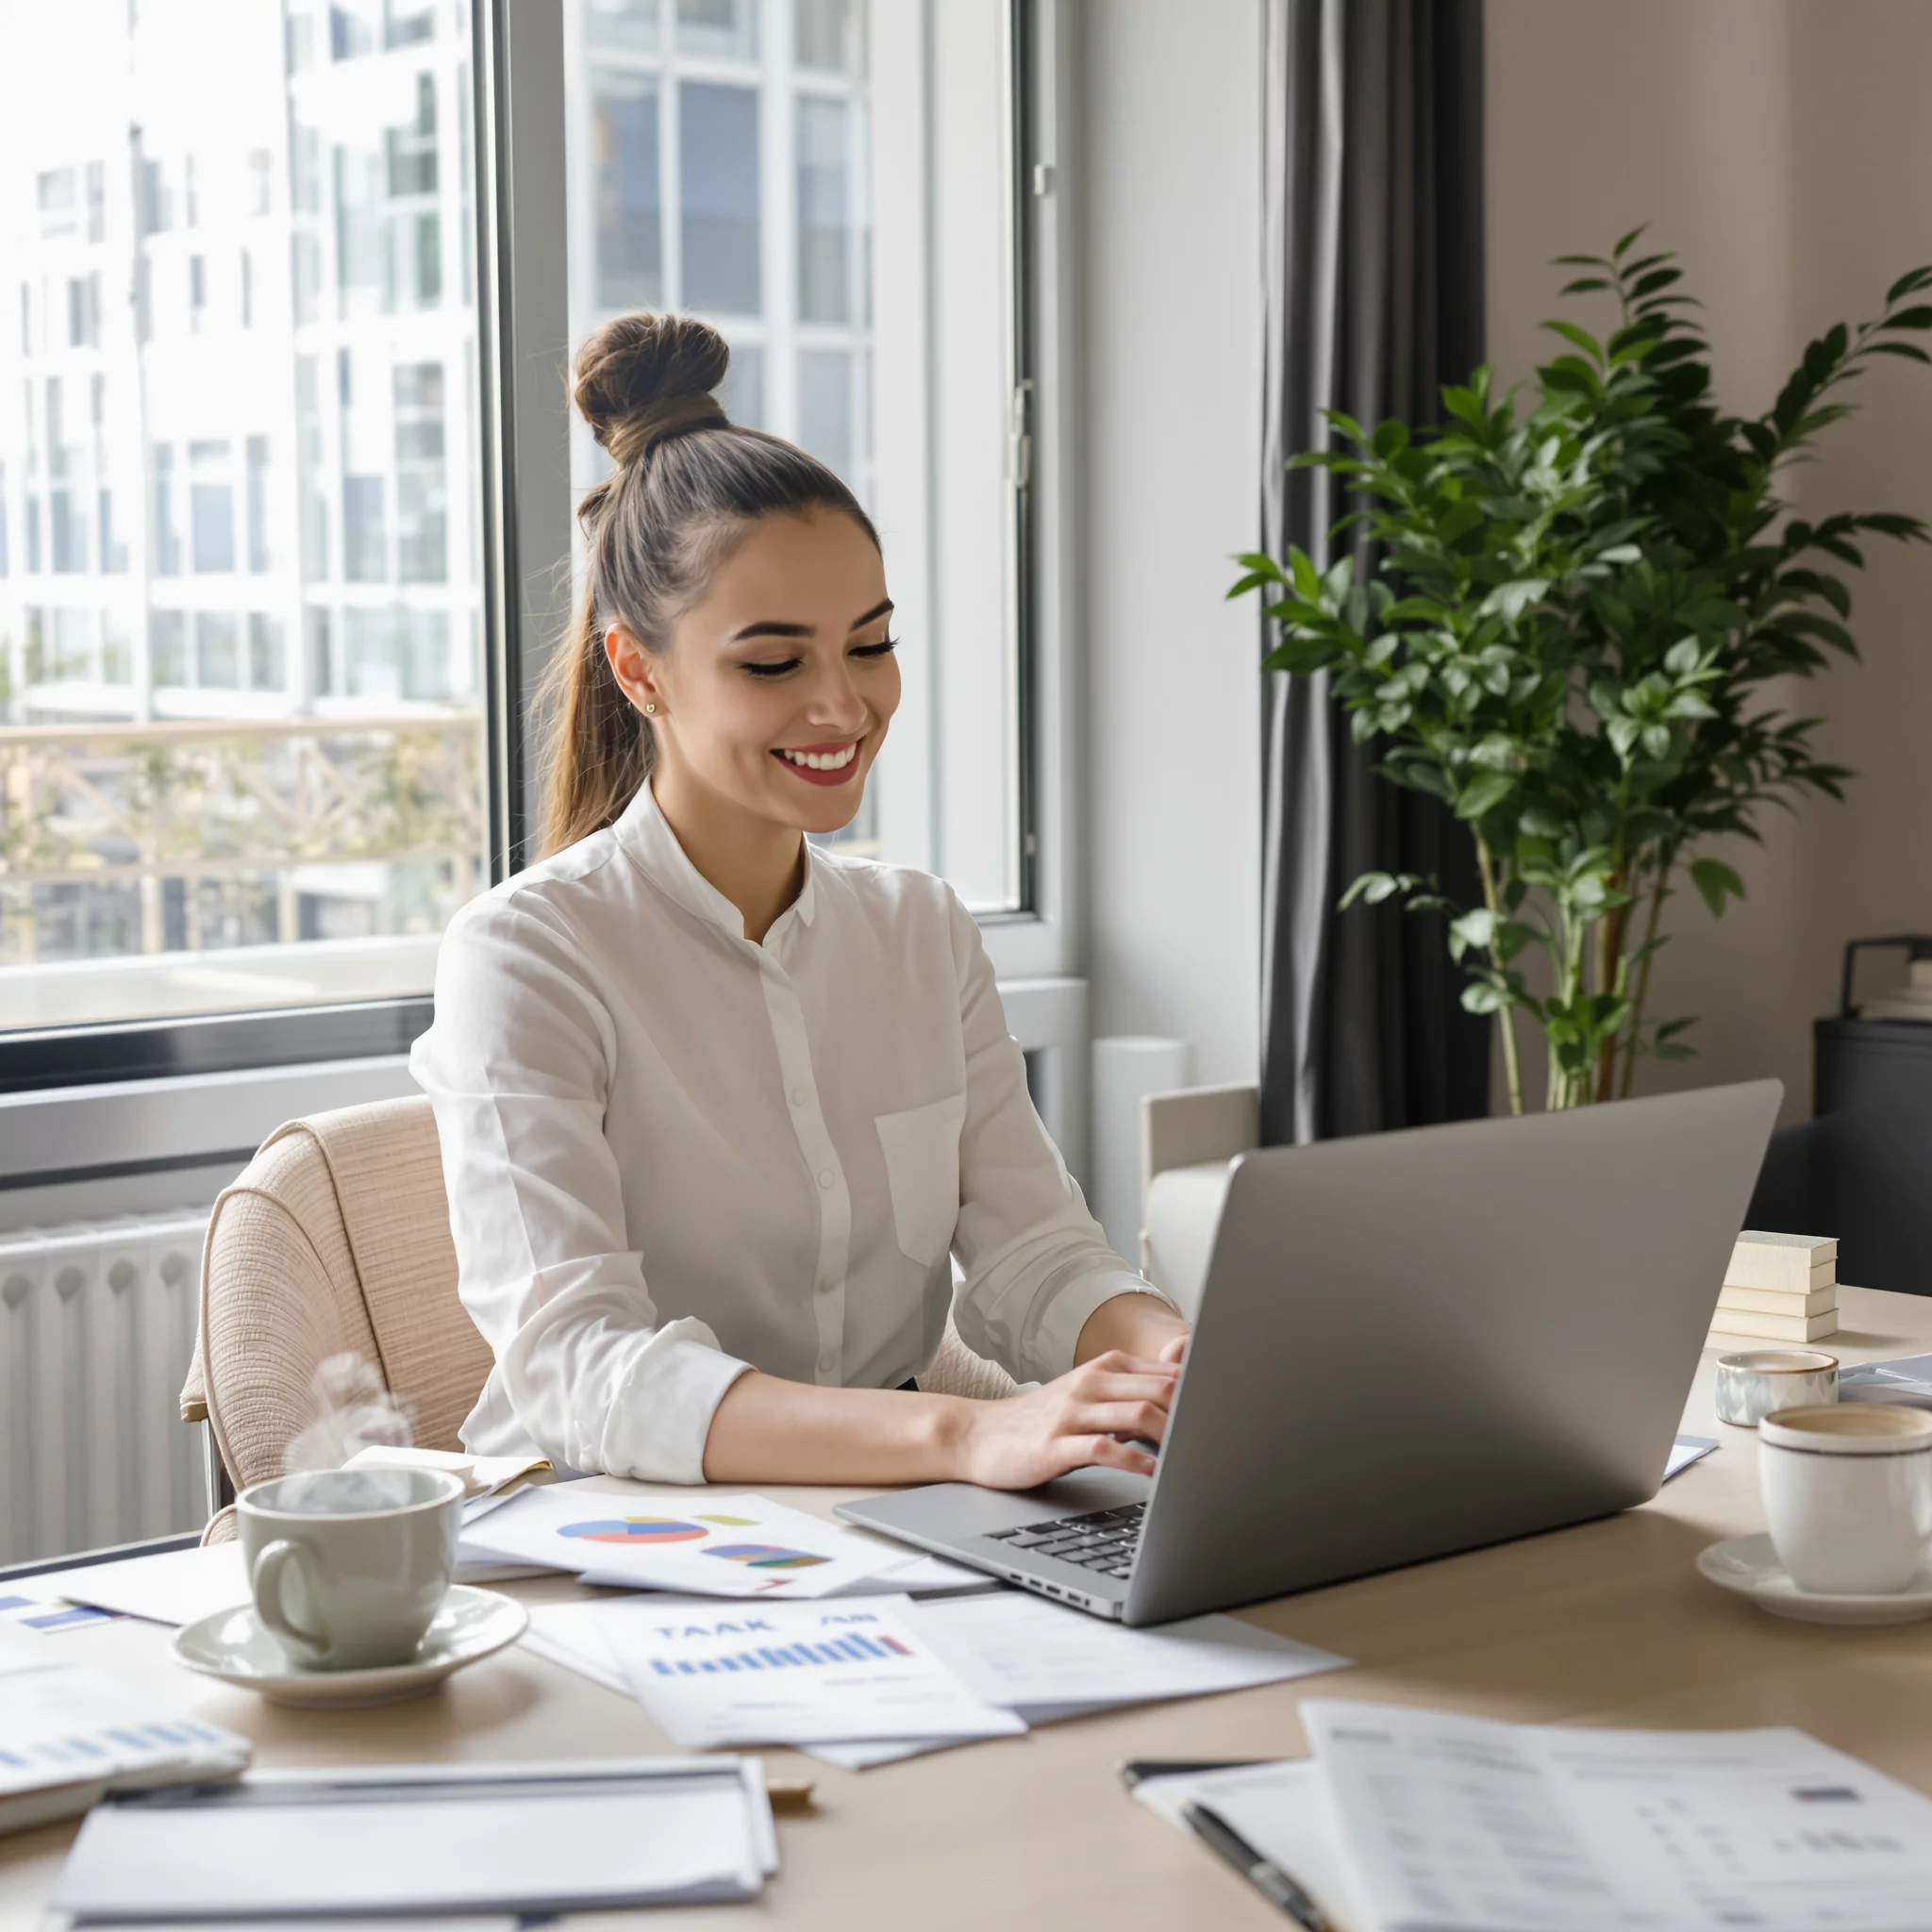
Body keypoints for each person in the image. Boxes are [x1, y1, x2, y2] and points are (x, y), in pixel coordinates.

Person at [410, 312, 1189, 1493]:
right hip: (607, 1546)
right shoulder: (528, 955)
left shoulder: (920, 933)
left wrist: (1173, 1362)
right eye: (773, 663)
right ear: (639, 670)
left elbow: (1032, 1254)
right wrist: (962, 1436)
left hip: (885, 1538)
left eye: (869, 645)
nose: (843, 706)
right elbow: (575, 1363)